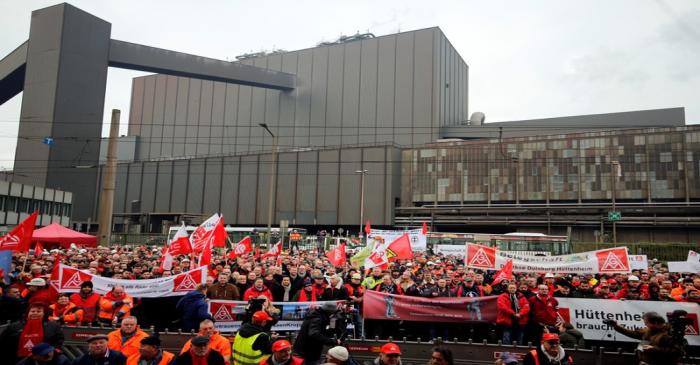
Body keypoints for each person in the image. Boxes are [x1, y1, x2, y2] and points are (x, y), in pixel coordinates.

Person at [607, 311, 683, 364]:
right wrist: (616, 326)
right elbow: (633, 333)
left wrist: (654, 349)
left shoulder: (669, 334)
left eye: (646, 323)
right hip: (644, 361)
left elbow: (678, 352)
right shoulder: (648, 330)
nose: (645, 325)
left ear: (655, 323)